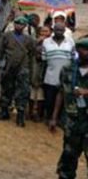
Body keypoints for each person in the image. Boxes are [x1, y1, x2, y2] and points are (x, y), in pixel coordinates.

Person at [52, 38, 88, 178]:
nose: (87, 53)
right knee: (68, 156)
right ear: (77, 51)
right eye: (84, 49)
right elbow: (60, 93)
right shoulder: (67, 69)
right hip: (72, 121)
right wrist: (54, 117)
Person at [0, 16, 35, 127]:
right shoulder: (6, 36)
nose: (18, 26)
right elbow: (0, 51)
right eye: (17, 23)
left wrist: (30, 70)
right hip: (8, 66)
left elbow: (32, 55)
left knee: (22, 92)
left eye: (21, 24)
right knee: (6, 89)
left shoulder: (29, 39)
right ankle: (4, 111)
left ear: (25, 26)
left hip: (23, 68)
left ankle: (20, 115)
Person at [42, 23, 75, 125]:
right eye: (57, 30)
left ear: (64, 30)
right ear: (53, 30)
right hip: (51, 75)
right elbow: (44, 58)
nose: (59, 32)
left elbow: (73, 58)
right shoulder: (46, 42)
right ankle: (49, 117)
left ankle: (59, 119)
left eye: (61, 30)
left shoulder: (70, 42)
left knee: (64, 99)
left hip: (66, 77)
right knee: (49, 99)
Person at [29, 26, 51, 122]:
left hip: (45, 70)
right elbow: (29, 50)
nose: (44, 33)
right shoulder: (35, 41)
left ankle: (39, 114)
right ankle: (30, 112)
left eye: (46, 31)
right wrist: (38, 41)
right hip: (34, 69)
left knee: (41, 95)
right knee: (32, 93)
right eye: (42, 31)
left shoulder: (51, 43)